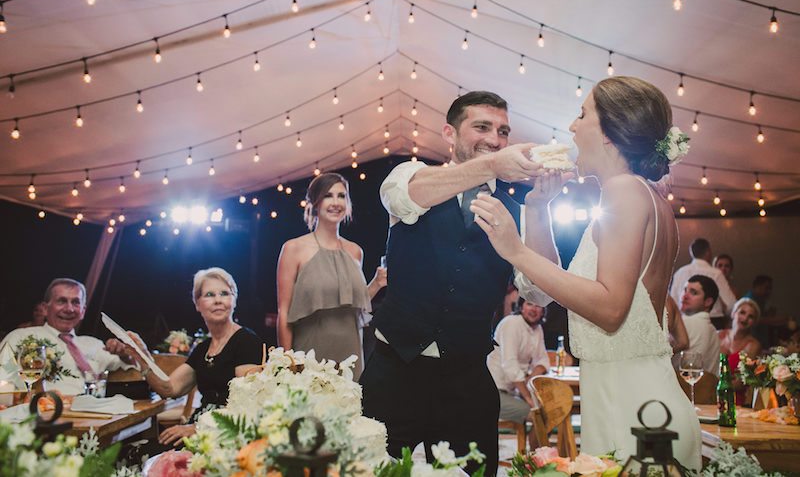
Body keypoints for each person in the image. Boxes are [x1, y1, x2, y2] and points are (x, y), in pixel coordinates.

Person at [471, 76, 702, 469]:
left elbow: (610, 309)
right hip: (631, 396)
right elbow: (547, 292)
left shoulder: (624, 191)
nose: (573, 127)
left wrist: (513, 249)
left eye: (582, 115)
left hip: (637, 411)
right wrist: (539, 210)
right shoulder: (645, 194)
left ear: (611, 134)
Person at [361, 90, 550, 477]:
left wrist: (541, 208)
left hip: (466, 380)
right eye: (481, 127)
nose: (495, 139)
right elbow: (406, 199)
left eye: (503, 131)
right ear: (449, 133)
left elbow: (539, 290)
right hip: (393, 370)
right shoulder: (412, 176)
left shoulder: (518, 213)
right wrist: (493, 165)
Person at [121, 268, 263, 447]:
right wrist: (142, 357)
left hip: (226, 433)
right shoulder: (203, 348)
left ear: (234, 300)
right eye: (210, 294)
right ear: (197, 303)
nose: (218, 300)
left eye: (225, 293)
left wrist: (197, 428)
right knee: (132, 453)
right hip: (198, 427)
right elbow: (169, 388)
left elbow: (246, 404)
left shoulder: (247, 341)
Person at [276, 172, 387, 379]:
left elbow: (353, 304)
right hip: (309, 353)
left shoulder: (355, 251)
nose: (336, 202)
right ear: (314, 203)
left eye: (342, 196)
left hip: (350, 354)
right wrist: (287, 362)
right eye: (328, 195)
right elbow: (283, 312)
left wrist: (377, 283)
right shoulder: (293, 249)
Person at [0, 279, 138, 395]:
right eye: (62, 301)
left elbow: (135, 371)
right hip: (47, 416)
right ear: (45, 308)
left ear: (83, 311)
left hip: (97, 415)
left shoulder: (94, 344)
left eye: (76, 302)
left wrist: (125, 354)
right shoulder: (21, 338)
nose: (69, 309)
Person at [487, 297, 549, 449]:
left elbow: (543, 361)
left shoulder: (537, 329)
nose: (533, 309)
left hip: (511, 392)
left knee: (547, 411)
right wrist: (528, 396)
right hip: (491, 392)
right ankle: (538, 461)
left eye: (538, 305)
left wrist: (530, 378)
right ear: (521, 307)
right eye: (529, 304)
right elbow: (510, 365)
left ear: (543, 310)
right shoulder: (512, 323)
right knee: (539, 415)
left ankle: (538, 457)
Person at [669, 238, 736, 323]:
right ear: (708, 252)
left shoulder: (680, 272)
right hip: (712, 320)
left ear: (691, 253)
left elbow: (673, 301)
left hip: (684, 320)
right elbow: (731, 304)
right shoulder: (716, 273)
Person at [671, 275, 720, 375]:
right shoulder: (713, 330)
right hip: (705, 388)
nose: (684, 296)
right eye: (685, 290)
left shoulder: (685, 323)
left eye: (693, 293)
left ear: (708, 302)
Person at [718, 297, 762, 406]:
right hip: (710, 394)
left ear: (754, 323)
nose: (745, 318)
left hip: (735, 398)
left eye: (750, 316)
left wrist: (717, 384)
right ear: (733, 313)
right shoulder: (718, 335)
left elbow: (741, 382)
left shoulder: (753, 345)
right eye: (742, 312)